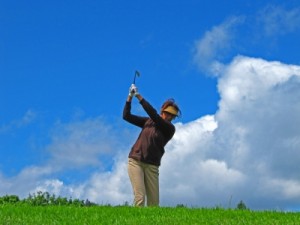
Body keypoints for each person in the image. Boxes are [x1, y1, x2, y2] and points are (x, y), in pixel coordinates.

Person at [123, 84, 181, 207]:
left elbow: (153, 115)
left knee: (154, 204)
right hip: (136, 161)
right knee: (140, 198)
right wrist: (130, 97)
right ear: (163, 111)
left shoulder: (169, 128)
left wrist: (139, 96)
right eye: (167, 113)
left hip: (152, 166)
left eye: (172, 115)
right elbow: (126, 116)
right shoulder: (147, 122)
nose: (169, 116)